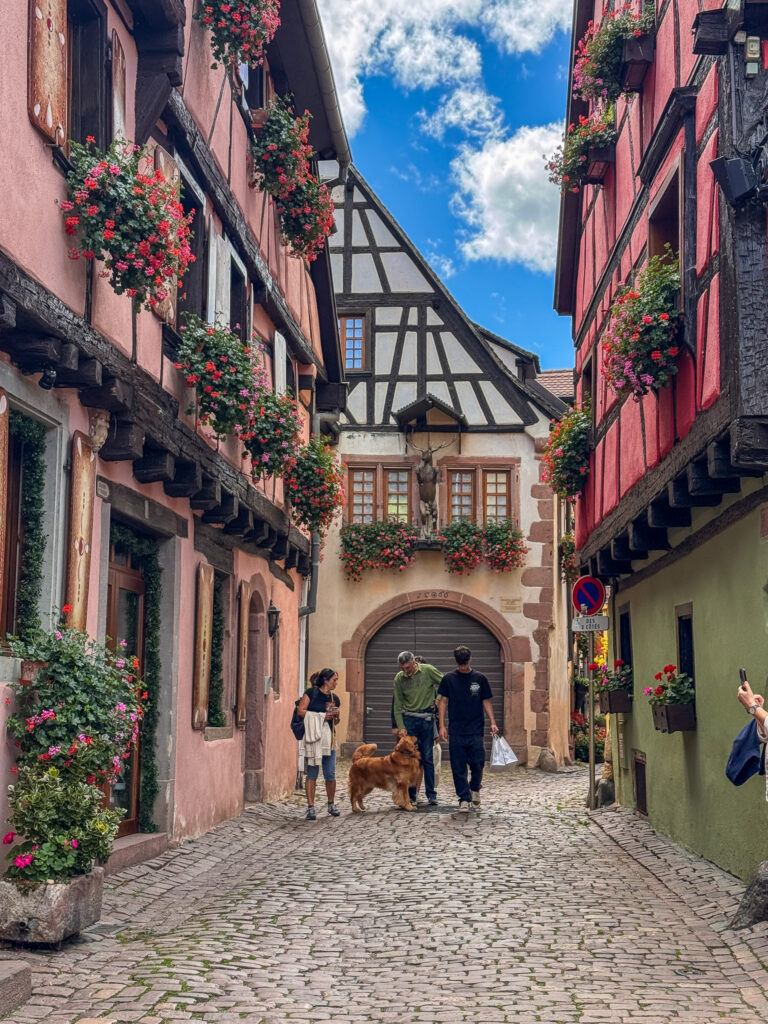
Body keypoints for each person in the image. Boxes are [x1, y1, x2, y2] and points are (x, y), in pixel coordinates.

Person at [438, 644, 499, 813]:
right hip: (456, 729)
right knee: (457, 766)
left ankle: (475, 789)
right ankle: (464, 799)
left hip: (476, 728)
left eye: (465, 662)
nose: (463, 666)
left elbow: (486, 701)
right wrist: (442, 725)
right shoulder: (448, 679)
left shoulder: (480, 679)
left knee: (478, 763)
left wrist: (493, 722)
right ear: (456, 661)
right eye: (460, 663)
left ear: (470, 659)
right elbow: (443, 701)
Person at [393, 651, 442, 806]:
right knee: (410, 759)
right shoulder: (399, 678)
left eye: (408, 667)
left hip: (426, 719)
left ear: (414, 662)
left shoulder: (427, 670)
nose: (406, 671)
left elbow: (445, 683)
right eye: (403, 668)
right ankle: (411, 795)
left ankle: (431, 794)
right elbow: (397, 703)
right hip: (409, 719)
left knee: (427, 758)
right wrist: (400, 726)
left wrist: (438, 699)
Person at [297, 667, 341, 820]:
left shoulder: (335, 698)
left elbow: (336, 721)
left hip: (329, 738)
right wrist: (322, 715)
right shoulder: (311, 694)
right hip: (313, 737)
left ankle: (331, 803)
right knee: (312, 772)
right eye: (334, 680)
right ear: (326, 680)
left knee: (330, 773)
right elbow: (301, 710)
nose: (336, 683)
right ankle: (310, 807)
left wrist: (336, 716)